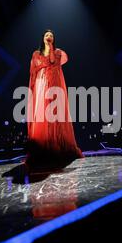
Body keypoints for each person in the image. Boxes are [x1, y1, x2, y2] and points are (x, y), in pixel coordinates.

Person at [26, 29, 83, 169]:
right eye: (46, 35)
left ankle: (59, 145)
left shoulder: (57, 52)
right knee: (43, 114)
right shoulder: (36, 54)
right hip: (41, 84)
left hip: (54, 83)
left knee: (55, 113)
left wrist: (51, 48)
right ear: (42, 38)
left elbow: (53, 61)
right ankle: (42, 148)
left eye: (51, 35)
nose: (49, 36)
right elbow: (34, 70)